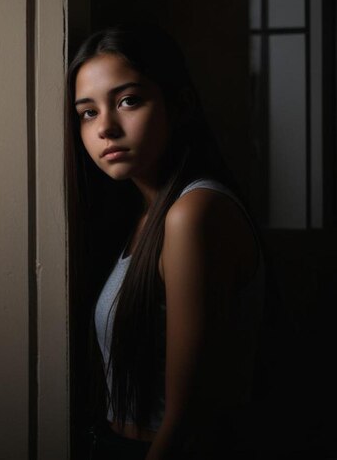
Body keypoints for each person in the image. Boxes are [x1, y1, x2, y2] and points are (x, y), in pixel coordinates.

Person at [65, 24, 265, 459]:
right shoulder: (142, 220)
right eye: (88, 112)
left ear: (181, 104)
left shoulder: (194, 214)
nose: (106, 128)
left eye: (128, 100)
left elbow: (189, 419)